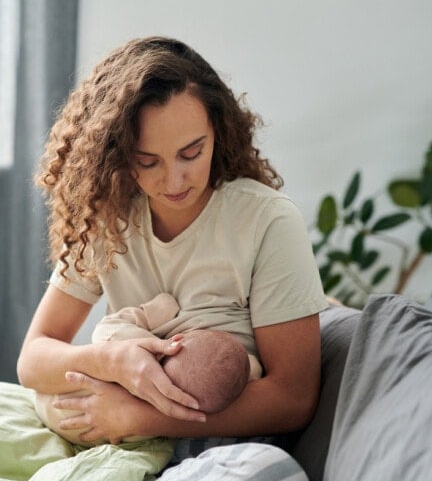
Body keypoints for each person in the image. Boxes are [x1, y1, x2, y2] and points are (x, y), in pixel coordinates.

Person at [16, 36, 328, 474]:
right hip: (120, 419)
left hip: (224, 436)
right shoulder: (108, 219)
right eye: (148, 161)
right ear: (120, 157)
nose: (174, 180)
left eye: (191, 152)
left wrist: (139, 417)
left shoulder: (266, 221)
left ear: (218, 131)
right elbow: (33, 359)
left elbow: (293, 398)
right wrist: (111, 361)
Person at [34, 293, 259, 445]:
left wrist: (157, 309)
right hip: (90, 433)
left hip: (54, 400)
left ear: (176, 339)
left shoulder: (134, 343)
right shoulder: (160, 425)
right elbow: (248, 370)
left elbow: (106, 328)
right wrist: (248, 371)